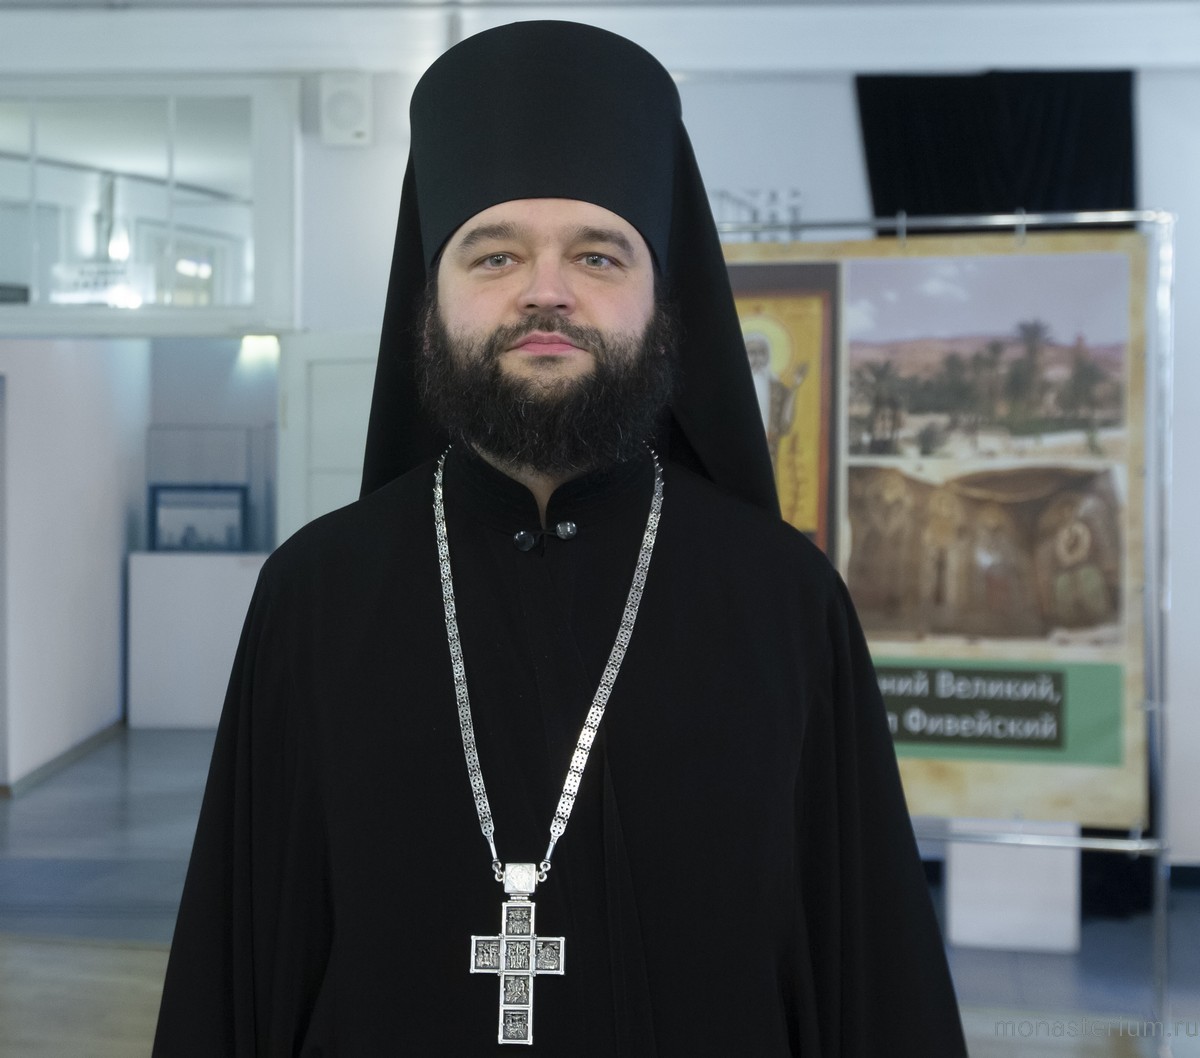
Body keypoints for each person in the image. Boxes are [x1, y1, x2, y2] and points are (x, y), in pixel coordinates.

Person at [153, 20, 966, 1057]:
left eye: (596, 253)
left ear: (662, 297)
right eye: (495, 254)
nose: (546, 290)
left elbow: (869, 970)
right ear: (429, 300)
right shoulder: (314, 596)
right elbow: (237, 963)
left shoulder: (785, 602)